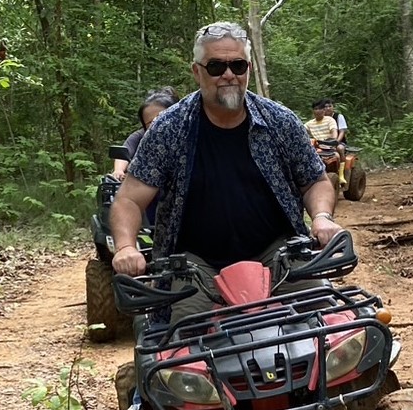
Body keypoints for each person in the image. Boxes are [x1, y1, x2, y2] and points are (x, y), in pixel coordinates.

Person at [110, 21, 342, 325]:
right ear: (197, 72)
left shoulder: (279, 121)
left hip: (277, 253)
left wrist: (322, 217)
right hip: (194, 265)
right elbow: (128, 200)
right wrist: (126, 247)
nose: (229, 74)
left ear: (248, 69)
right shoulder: (169, 128)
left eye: (238, 65)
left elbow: (315, 180)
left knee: (325, 328)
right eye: (216, 66)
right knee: (182, 347)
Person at [111, 86, 179, 182]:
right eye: (150, 122)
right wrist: (119, 170)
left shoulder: (190, 137)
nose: (157, 124)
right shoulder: (139, 136)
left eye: (161, 118)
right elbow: (125, 153)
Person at [305, 99, 346, 184]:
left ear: (324, 110)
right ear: (313, 111)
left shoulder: (330, 120)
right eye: (316, 109)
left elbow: (335, 132)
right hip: (316, 147)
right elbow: (300, 130)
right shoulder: (309, 123)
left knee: (337, 154)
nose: (318, 111)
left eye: (320, 109)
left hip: (329, 146)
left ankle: (341, 175)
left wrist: (333, 140)